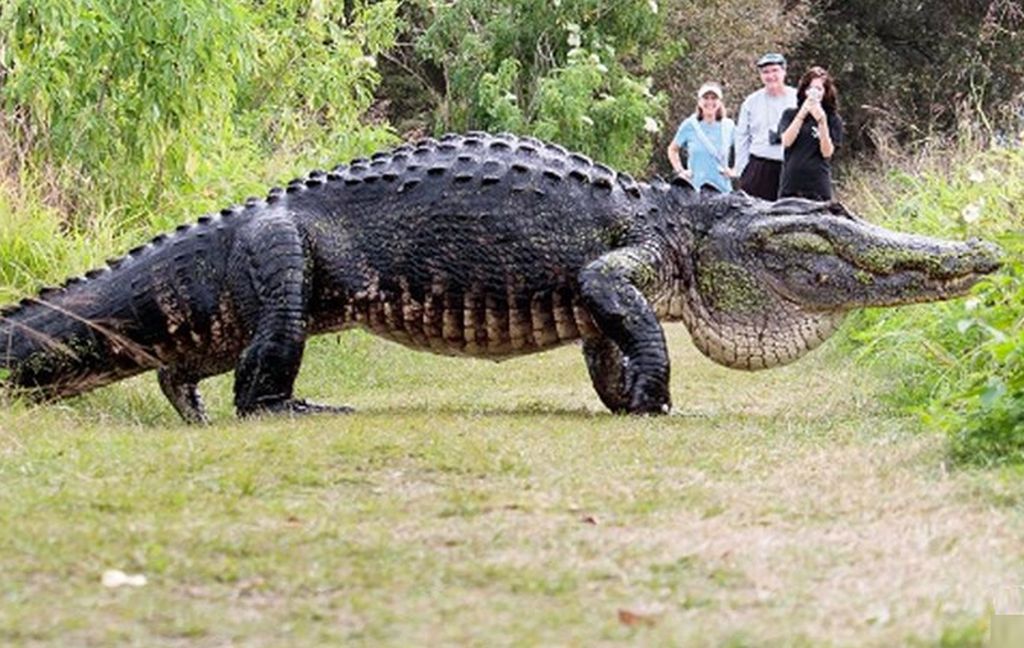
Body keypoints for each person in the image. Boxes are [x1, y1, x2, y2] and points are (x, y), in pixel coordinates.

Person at [734, 52, 798, 200]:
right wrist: (742, 171)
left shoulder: (797, 99)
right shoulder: (751, 102)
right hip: (759, 166)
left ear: (784, 71)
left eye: (774, 71)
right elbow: (742, 137)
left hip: (790, 166)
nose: (770, 76)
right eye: (765, 72)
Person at [777, 66, 843, 201]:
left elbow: (827, 152)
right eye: (810, 89)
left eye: (819, 89)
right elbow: (786, 141)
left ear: (825, 92)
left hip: (818, 185)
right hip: (791, 184)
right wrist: (802, 114)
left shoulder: (833, 119)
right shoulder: (789, 114)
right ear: (804, 91)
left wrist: (822, 121)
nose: (814, 93)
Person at [667, 82, 736, 193]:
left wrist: (735, 170)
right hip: (695, 191)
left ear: (720, 102)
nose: (710, 102)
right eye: (706, 98)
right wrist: (680, 171)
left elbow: (744, 149)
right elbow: (672, 149)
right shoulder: (689, 125)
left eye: (714, 98)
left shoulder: (729, 126)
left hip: (723, 192)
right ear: (699, 102)